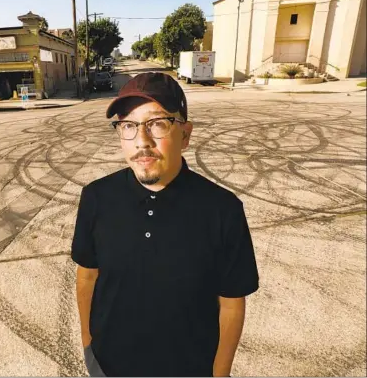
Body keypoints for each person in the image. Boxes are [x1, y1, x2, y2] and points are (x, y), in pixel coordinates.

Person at [71, 72, 259, 377]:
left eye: (157, 123)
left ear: (185, 135)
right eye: (128, 126)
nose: (141, 142)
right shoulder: (96, 197)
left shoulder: (223, 210)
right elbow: (87, 277)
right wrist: (87, 344)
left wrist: (220, 373)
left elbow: (231, 303)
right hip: (109, 365)